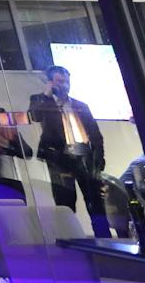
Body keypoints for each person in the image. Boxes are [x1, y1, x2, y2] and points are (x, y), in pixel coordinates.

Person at [29, 66, 112, 237]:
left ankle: (105, 239)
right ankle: (71, 241)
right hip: (60, 159)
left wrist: (98, 160)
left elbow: (96, 135)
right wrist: (47, 95)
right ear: (50, 82)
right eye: (60, 81)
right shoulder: (41, 101)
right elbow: (34, 116)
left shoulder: (81, 106)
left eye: (67, 81)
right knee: (65, 203)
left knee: (96, 203)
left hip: (85, 158)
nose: (65, 85)